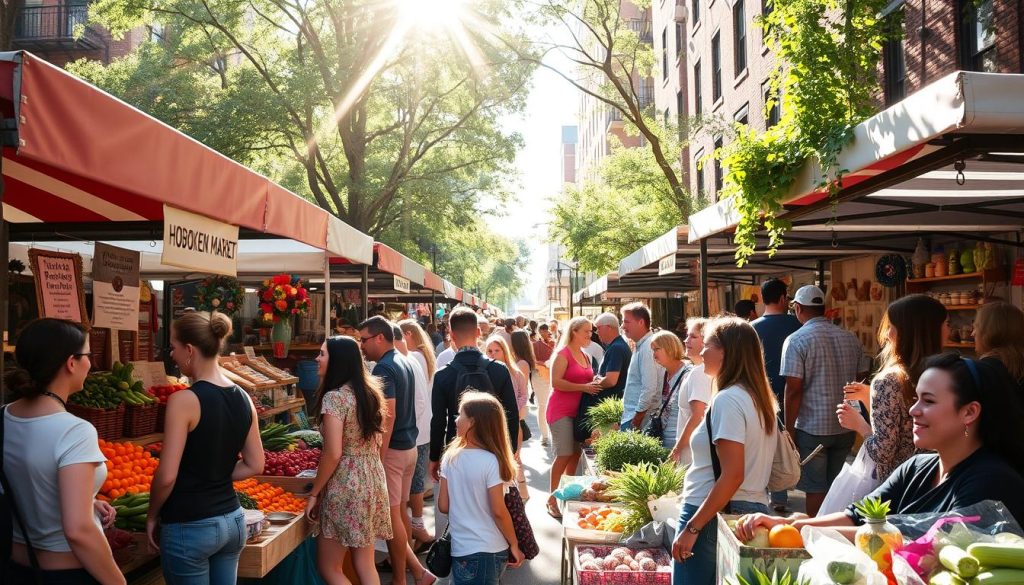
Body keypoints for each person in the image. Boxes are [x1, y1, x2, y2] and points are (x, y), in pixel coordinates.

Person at [737, 353, 1024, 540]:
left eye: (929, 401)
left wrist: (803, 529)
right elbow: (858, 515)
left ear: (969, 412)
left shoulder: (993, 480)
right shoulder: (915, 468)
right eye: (917, 399)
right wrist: (793, 525)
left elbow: (926, 537)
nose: (913, 411)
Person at [2, 319, 125, 585]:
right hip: (68, 574)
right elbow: (78, 530)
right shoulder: (74, 431)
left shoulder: (4, 417)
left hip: (15, 568)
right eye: (88, 355)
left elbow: (25, 478)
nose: (90, 364)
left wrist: (86, 500)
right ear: (71, 363)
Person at [149, 311, 264, 585]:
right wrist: (217, 473)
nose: (173, 356)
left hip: (190, 525)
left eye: (174, 348)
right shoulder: (244, 397)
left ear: (189, 350)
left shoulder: (184, 400)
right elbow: (255, 464)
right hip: (233, 521)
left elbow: (167, 476)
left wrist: (152, 515)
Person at [670, 317, 780, 585]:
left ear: (726, 352)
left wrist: (693, 526)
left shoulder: (729, 399)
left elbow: (732, 475)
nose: (702, 351)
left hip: (714, 511)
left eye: (707, 345)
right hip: (747, 508)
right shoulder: (757, 398)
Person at [306, 337, 392, 585]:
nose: (317, 359)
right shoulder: (370, 393)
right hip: (371, 478)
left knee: (329, 567)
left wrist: (315, 493)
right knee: (364, 564)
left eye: (322, 354)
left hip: (346, 483)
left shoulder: (335, 398)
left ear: (337, 361)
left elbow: (333, 453)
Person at [780, 285, 870, 517]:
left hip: (812, 428)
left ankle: (814, 536)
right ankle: (836, 533)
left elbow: (793, 390)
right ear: (824, 309)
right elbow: (861, 379)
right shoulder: (850, 338)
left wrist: (789, 431)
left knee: (816, 489)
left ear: (798, 309)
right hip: (846, 425)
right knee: (839, 487)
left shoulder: (796, 340)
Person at [837, 295, 948, 482]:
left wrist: (859, 425)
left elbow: (883, 452)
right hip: (942, 478)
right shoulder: (948, 373)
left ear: (907, 332)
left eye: (891, 327)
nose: (887, 334)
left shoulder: (890, 380)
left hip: (903, 485)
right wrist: (870, 398)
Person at [358, 316, 433, 585]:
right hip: (408, 447)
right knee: (397, 515)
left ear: (380, 337)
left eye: (364, 339)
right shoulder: (404, 360)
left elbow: (387, 415)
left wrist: (378, 457)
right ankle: (415, 572)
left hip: (394, 451)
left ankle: (402, 578)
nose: (361, 345)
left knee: (392, 519)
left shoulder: (384, 368)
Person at [438, 392, 526, 584]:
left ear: (473, 422)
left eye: (460, 414)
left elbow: (443, 506)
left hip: (460, 548)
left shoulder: (450, 457)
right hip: (490, 548)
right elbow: (498, 511)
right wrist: (514, 543)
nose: (456, 419)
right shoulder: (492, 461)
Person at [429, 307, 520, 481]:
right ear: (479, 332)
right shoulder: (499, 370)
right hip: (493, 447)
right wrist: (510, 450)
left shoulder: (442, 376)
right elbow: (512, 415)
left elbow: (439, 421)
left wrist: (435, 457)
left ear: (452, 336)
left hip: (456, 449)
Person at [751, 278, 804, 512]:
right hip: (797, 392)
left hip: (761, 394)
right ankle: (792, 486)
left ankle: (777, 495)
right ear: (784, 298)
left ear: (762, 299)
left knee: (768, 446)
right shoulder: (797, 325)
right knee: (792, 442)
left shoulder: (752, 329)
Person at [545, 317, 600, 519]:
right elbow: (556, 382)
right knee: (564, 454)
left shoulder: (585, 355)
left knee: (575, 455)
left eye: (591, 331)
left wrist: (594, 382)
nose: (590, 334)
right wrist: (584, 387)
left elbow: (586, 379)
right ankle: (552, 499)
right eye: (586, 331)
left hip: (579, 413)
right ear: (574, 331)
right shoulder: (562, 353)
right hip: (560, 411)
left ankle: (569, 495)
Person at [397, 320, 438, 548]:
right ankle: (418, 526)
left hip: (416, 429)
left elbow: (417, 399)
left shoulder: (414, 357)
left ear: (409, 335)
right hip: (422, 428)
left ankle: (418, 527)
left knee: (414, 483)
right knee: (416, 480)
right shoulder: (423, 356)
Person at [486, 333, 532, 500]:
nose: (492, 354)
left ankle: (521, 494)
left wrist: (515, 411)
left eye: (497, 350)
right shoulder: (485, 371)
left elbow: (523, 394)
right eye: (489, 350)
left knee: (515, 456)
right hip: (492, 422)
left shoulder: (515, 372)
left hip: (513, 421)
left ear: (504, 351)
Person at [668, 318, 712, 467]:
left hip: (692, 453)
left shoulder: (699, 372)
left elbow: (697, 415)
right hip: (695, 451)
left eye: (693, 337)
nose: (686, 341)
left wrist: (677, 449)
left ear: (707, 342)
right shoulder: (698, 370)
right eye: (687, 336)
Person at [620, 303, 665, 431]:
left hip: (637, 419)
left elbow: (650, 388)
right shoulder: (642, 344)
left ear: (640, 322)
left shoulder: (648, 347)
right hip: (633, 416)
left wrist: (637, 419)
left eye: (626, 322)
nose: (622, 326)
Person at [650, 331, 689, 450]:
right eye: (653, 350)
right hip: (663, 441)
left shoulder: (687, 373)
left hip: (679, 445)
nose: (654, 354)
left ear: (670, 348)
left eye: (656, 349)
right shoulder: (665, 372)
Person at [974, 301, 1024, 392]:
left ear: (992, 333)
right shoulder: (1019, 366)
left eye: (976, 327)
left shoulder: (982, 371)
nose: (973, 334)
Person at [592, 312, 632, 401]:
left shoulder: (616, 348)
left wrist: (591, 385)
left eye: (598, 328)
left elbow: (610, 381)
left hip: (611, 401)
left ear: (608, 327)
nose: (597, 332)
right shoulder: (617, 345)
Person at [532, 323, 556, 445]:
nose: (543, 332)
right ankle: (545, 435)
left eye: (545, 330)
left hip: (552, 376)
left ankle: (549, 435)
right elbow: (532, 360)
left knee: (549, 406)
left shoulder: (554, 343)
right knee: (542, 406)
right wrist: (544, 363)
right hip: (540, 376)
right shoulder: (535, 344)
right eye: (542, 330)